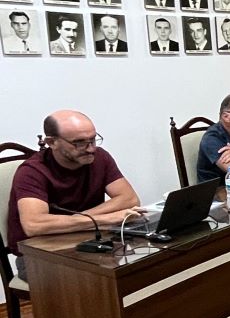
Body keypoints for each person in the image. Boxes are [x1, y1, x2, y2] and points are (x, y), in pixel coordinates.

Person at [7, 110, 140, 278]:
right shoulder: (31, 172)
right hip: (38, 254)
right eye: (79, 143)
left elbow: (129, 199)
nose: (91, 148)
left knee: (139, 262)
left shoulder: (100, 158)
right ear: (52, 142)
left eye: (93, 139)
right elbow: (34, 225)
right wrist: (102, 219)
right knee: (94, 279)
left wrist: (81, 219)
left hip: (89, 239)